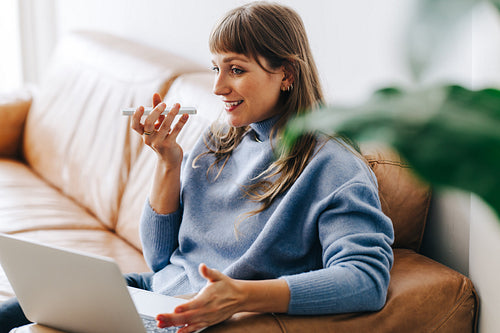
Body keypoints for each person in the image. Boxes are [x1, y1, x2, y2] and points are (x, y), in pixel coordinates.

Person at [0, 2, 393, 333]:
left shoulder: (333, 165)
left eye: (236, 70)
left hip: (187, 317)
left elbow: (366, 278)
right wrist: (168, 163)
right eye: (215, 68)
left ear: (287, 74)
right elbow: (160, 259)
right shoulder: (219, 139)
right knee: (21, 307)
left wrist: (242, 295)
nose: (218, 87)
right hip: (152, 292)